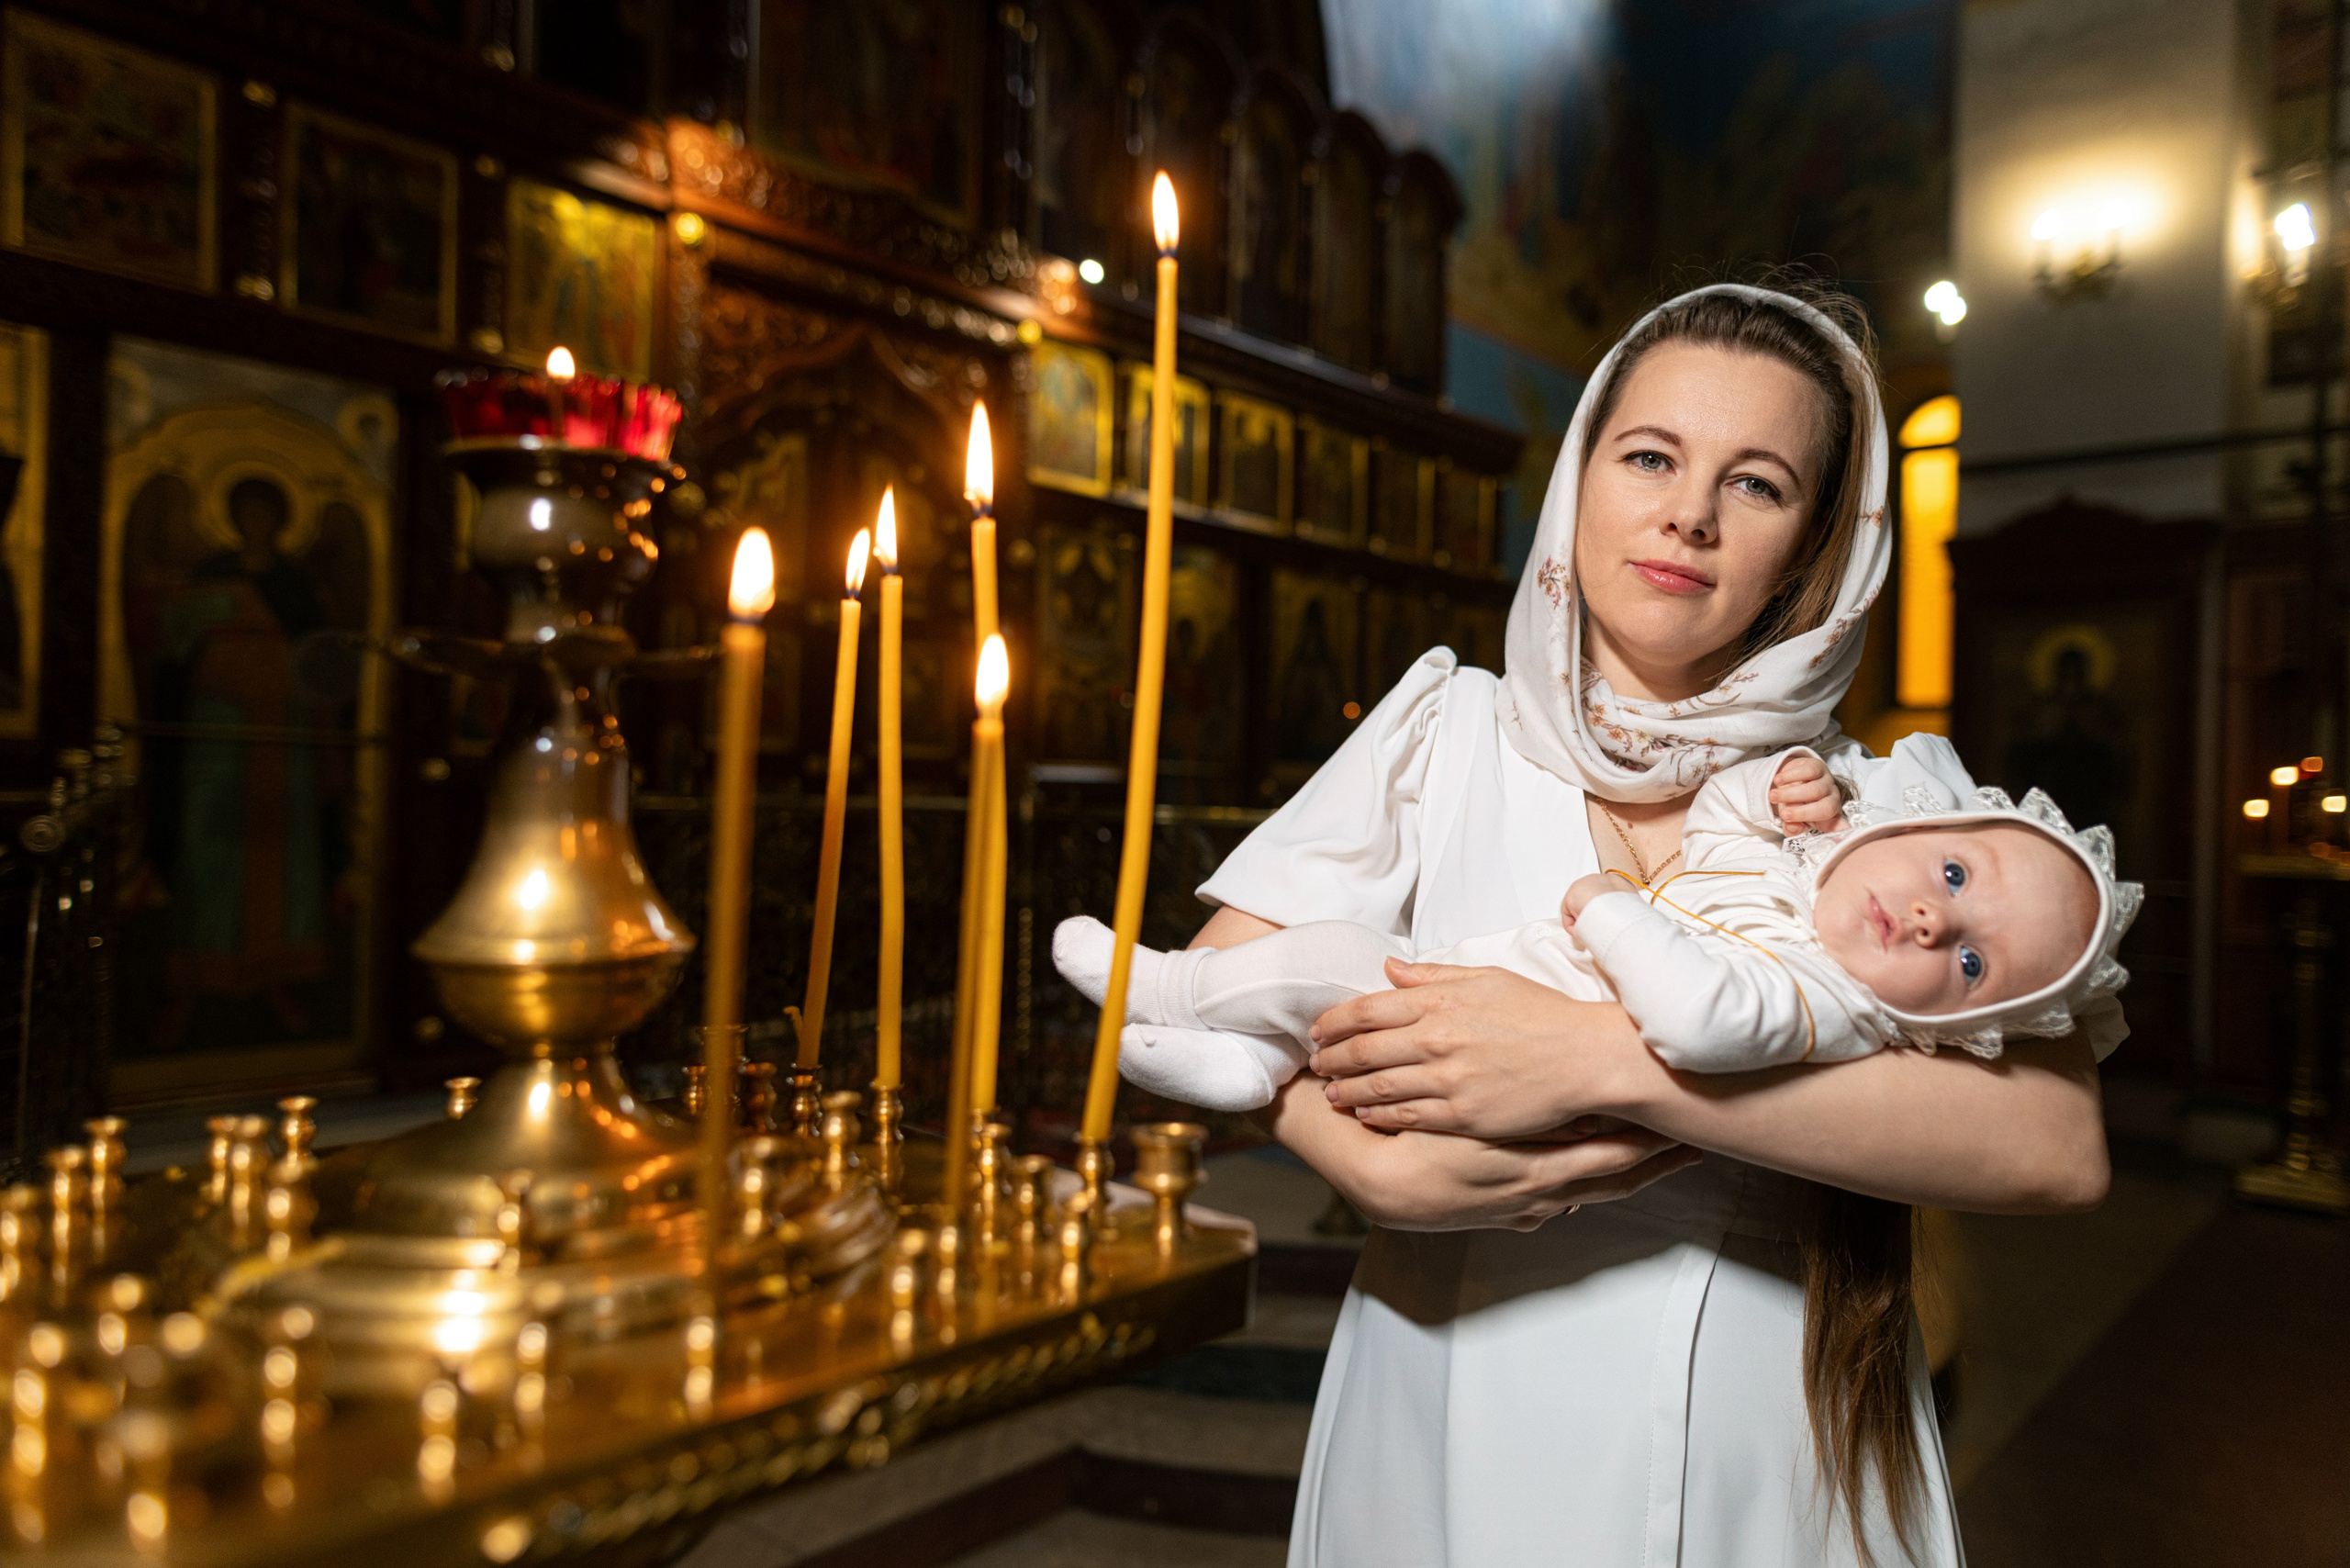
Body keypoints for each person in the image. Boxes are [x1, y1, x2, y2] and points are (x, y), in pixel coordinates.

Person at [1158, 284, 2118, 1566]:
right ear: (1581, 476)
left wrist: (1602, 1064)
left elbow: (2057, 1148)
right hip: (1447, 1374)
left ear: (1819, 542)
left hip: (1769, 1416)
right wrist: (1363, 1164)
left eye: (1759, 484)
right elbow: (1208, 989)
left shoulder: (1888, 812)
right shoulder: (1447, 733)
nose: (1689, 515)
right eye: (1651, 457)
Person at [1057, 735, 2140, 1107]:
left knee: (1340, 961)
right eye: (1949, 871)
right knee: (1324, 973)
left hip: (1503, 1019)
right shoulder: (1802, 871)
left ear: (1966, 1025)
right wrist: (1773, 788)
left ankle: (1166, 988)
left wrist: (1610, 908)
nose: (1919, 915)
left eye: (1967, 958)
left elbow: (1702, 1023)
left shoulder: (1823, 1002)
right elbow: (1717, 822)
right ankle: (1251, 1059)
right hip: (1482, 984)